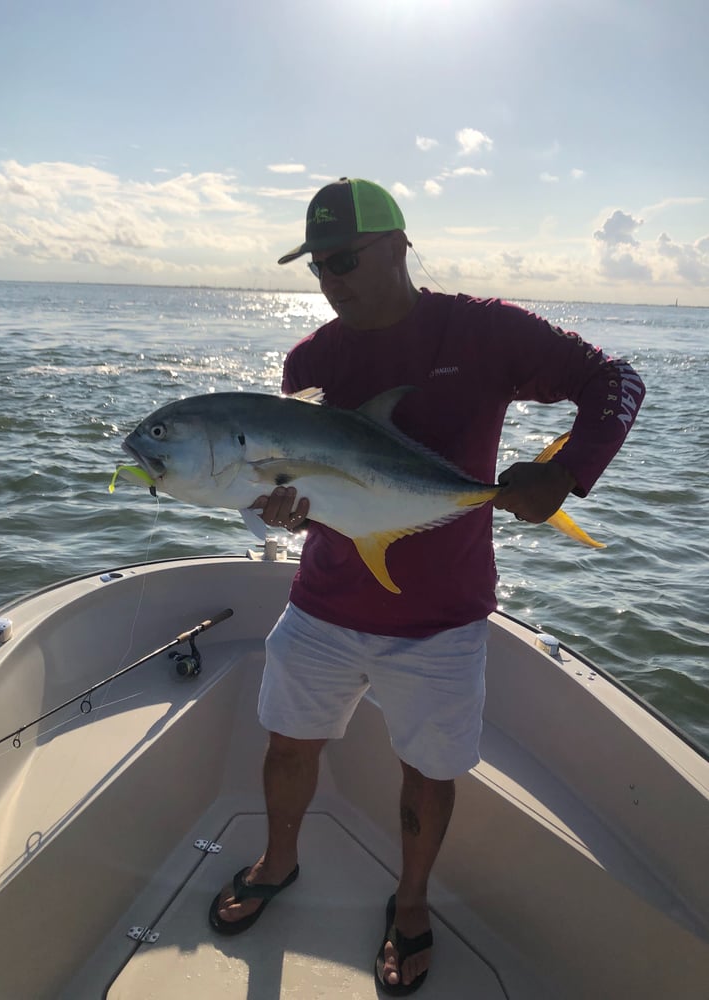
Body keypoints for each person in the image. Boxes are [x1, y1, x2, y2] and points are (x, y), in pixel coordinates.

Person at [209, 178, 645, 993]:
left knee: (427, 773)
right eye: (317, 266)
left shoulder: (484, 331)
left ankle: (410, 905)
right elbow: (305, 492)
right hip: (325, 603)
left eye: (343, 259)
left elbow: (617, 380)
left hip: (444, 617)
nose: (330, 279)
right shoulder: (310, 361)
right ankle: (278, 860)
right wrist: (279, 513)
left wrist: (567, 474)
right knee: (287, 745)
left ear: (399, 246)